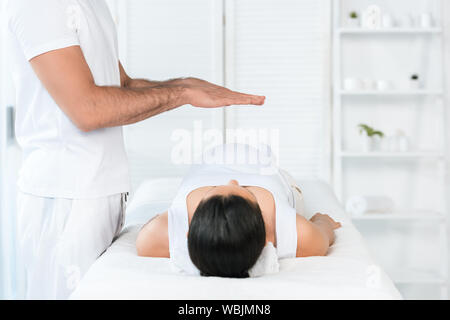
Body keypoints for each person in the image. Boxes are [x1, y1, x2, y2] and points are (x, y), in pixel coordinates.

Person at [5, 0, 265, 299]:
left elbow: (120, 85)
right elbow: (87, 109)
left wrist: (185, 84)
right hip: (66, 195)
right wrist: (183, 94)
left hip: (100, 192)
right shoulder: (40, 6)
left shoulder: (92, 5)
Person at [137, 144, 341, 278]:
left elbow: (150, 225)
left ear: (187, 233)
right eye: (246, 191)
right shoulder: (299, 234)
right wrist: (323, 221)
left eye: (212, 190)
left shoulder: (155, 237)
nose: (233, 181)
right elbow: (323, 231)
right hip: (264, 164)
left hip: (212, 158)